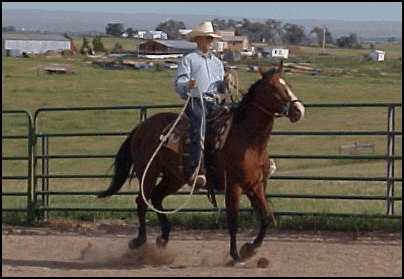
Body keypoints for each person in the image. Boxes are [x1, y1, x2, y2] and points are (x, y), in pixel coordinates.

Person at [174, 21, 227, 189]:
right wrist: (188, 84)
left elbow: (220, 88)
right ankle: (196, 168)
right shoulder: (189, 59)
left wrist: (226, 83)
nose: (210, 41)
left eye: (211, 38)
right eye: (207, 38)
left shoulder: (217, 63)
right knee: (199, 128)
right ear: (198, 40)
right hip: (197, 101)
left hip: (215, 102)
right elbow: (179, 83)